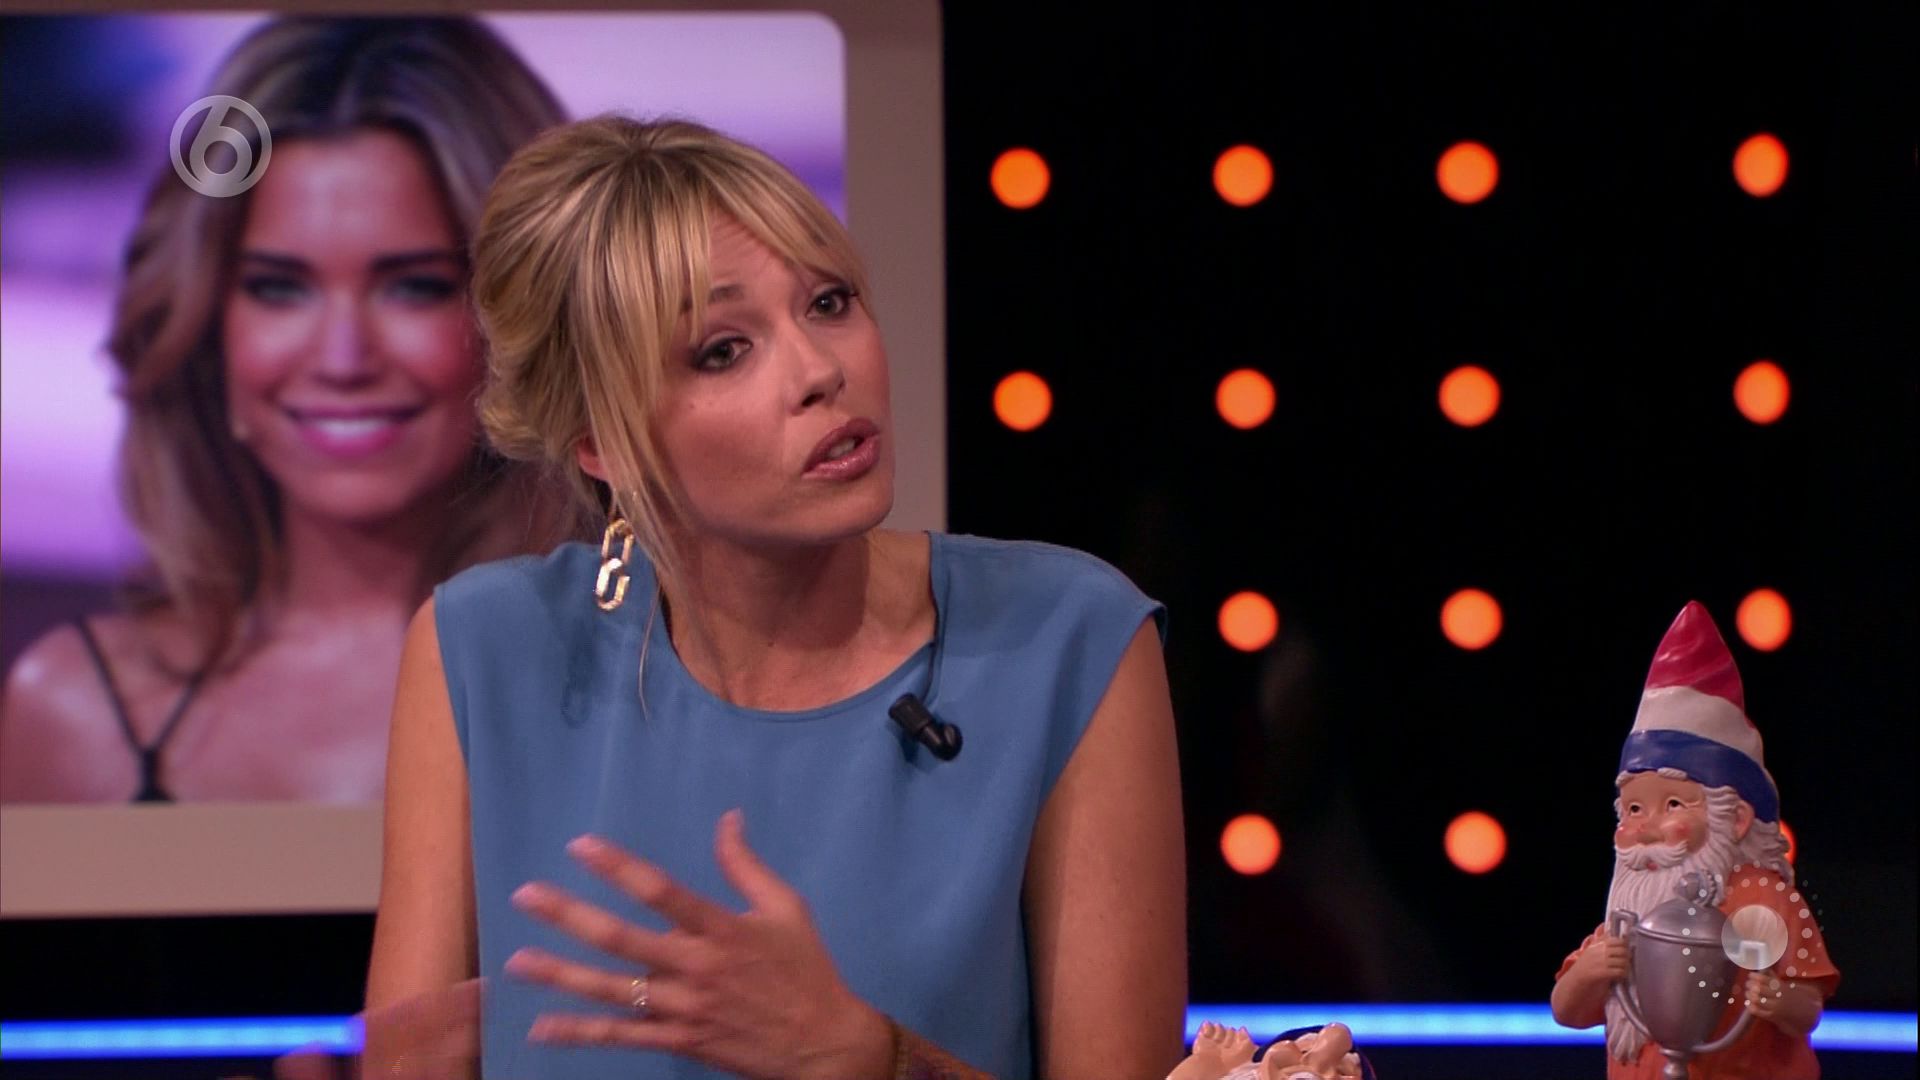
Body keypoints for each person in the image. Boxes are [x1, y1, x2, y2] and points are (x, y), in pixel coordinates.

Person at [364, 116, 1189, 1079]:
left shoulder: (1067, 640)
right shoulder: (481, 650)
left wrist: (868, 1059)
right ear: (601, 441)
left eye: (829, 303)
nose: (821, 371)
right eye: (724, 350)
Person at [0, 17, 579, 803]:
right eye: (278, 288)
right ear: (206, 329)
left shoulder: (666, 687)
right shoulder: (75, 714)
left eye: (416, 287)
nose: (342, 358)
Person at [1550, 602, 1837, 1079]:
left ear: (1736, 818)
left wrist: (1780, 1001)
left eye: (1673, 805)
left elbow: (1808, 1007)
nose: (1645, 827)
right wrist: (1590, 972)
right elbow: (1567, 1010)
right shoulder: (1631, 910)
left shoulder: (1762, 900)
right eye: (1634, 810)